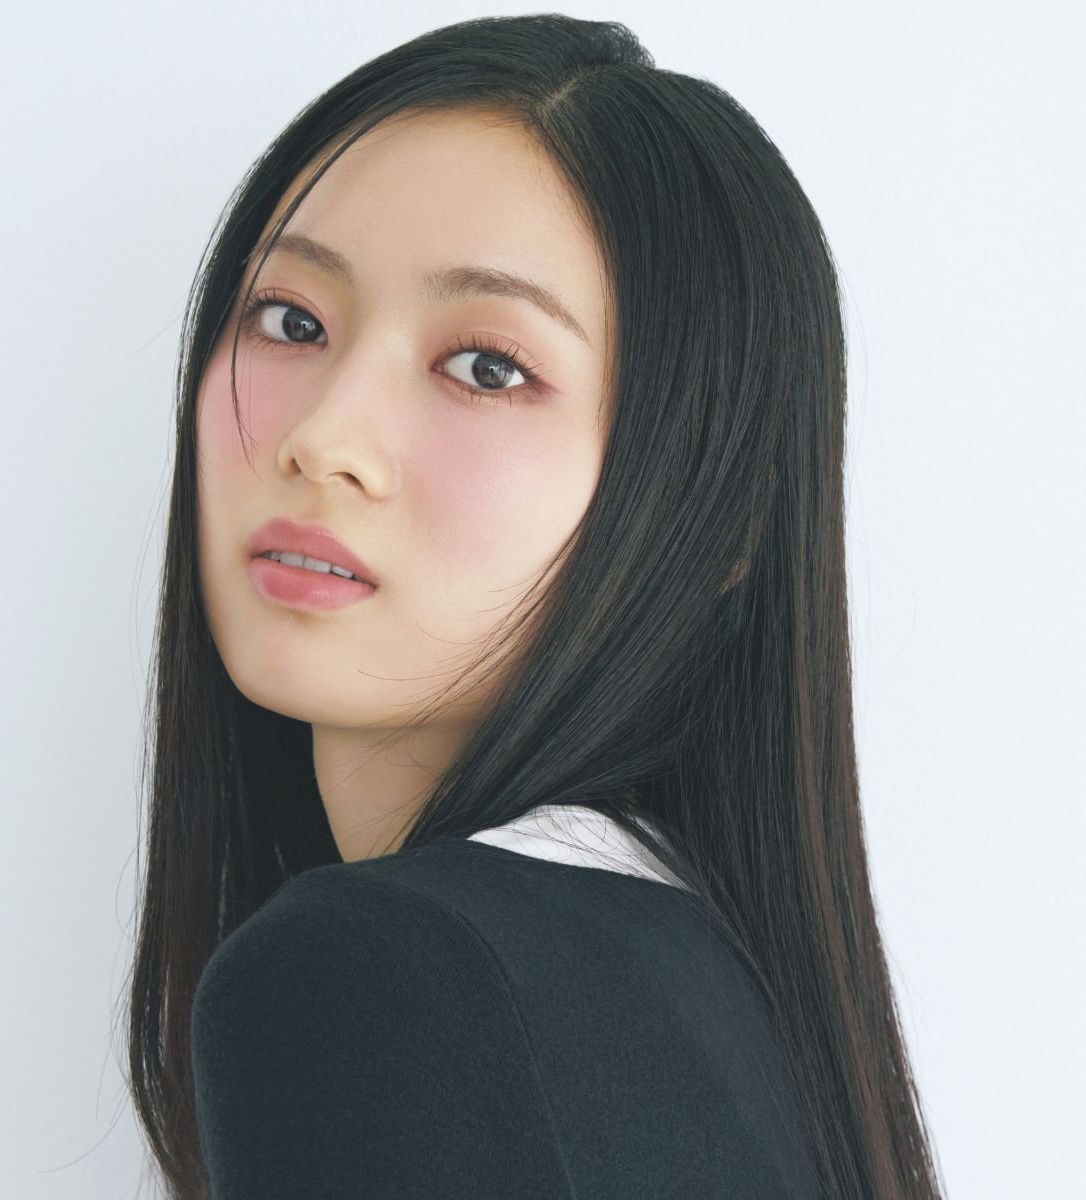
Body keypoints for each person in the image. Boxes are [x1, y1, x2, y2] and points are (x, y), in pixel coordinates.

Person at [124, 14, 945, 1200]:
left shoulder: (380, 976)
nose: (324, 439)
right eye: (293, 321)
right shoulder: (728, 1000)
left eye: (488, 367)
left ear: (717, 521)